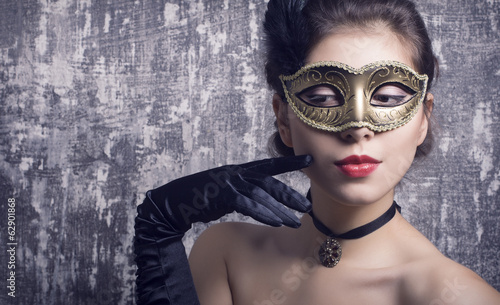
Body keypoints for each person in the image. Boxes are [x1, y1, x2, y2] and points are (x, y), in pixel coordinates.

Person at [134, 0, 500, 304]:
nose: (358, 127)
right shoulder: (224, 254)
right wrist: (158, 230)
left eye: (388, 98)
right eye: (323, 98)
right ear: (284, 118)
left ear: (423, 118)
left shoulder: (455, 296)